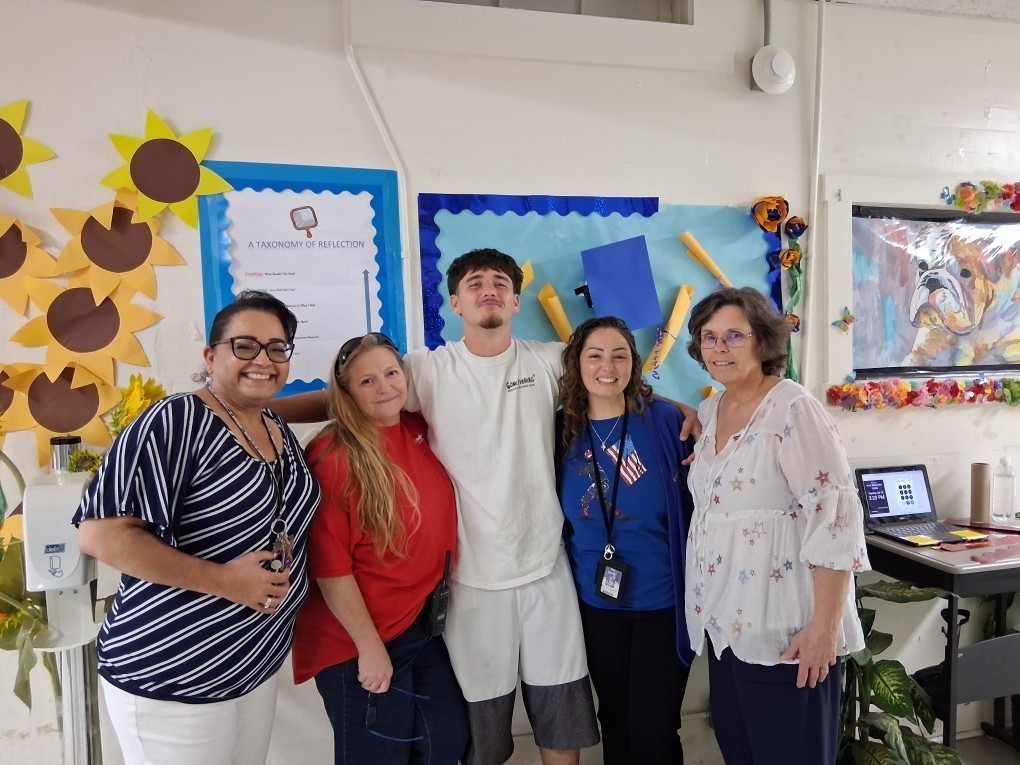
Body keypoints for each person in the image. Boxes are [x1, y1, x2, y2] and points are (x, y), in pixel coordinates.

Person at [272, 248, 699, 765]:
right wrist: (254, 409)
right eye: (474, 284)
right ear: (455, 302)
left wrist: (688, 409)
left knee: (561, 719)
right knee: (482, 737)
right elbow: (355, 392)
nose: (488, 290)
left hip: (548, 572)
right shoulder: (426, 370)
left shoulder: (547, 360)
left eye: (500, 282)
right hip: (473, 582)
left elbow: (612, 377)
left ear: (517, 300)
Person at [73, 290, 321, 765]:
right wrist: (227, 582)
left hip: (250, 665)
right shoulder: (173, 422)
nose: (262, 359)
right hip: (173, 672)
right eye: (244, 345)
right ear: (211, 356)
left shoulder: (271, 424)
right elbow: (99, 534)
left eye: (277, 348)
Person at [683, 287, 869, 765]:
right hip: (727, 629)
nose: (719, 348)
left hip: (788, 633)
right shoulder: (711, 410)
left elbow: (837, 516)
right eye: (709, 337)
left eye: (733, 337)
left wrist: (824, 628)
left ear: (763, 342)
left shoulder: (792, 409)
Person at [291, 332, 469, 764]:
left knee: (448, 742)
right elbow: (330, 570)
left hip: (420, 627)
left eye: (391, 373)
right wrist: (369, 649)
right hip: (359, 640)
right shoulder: (332, 456)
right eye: (367, 381)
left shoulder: (417, 427)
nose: (385, 386)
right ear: (347, 393)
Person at [556, 316, 696, 765]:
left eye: (619, 354)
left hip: (663, 603)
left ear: (633, 364)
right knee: (614, 718)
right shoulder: (560, 429)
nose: (607, 366)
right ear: (577, 364)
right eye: (594, 355)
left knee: (653, 730)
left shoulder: (665, 420)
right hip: (597, 605)